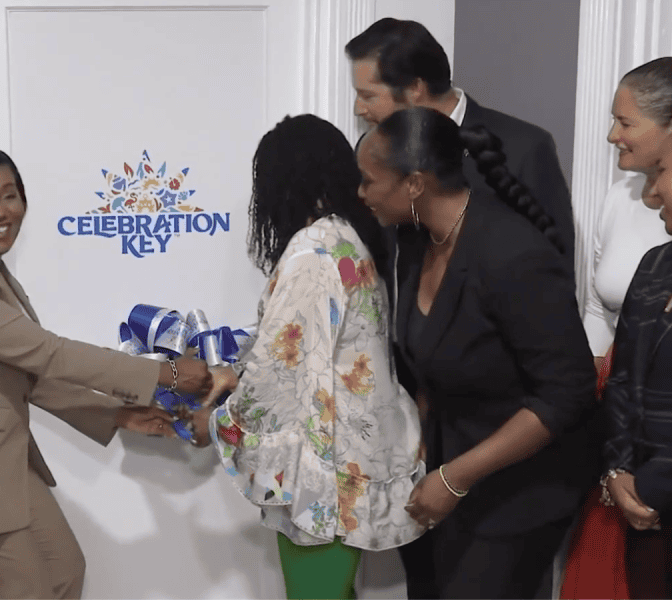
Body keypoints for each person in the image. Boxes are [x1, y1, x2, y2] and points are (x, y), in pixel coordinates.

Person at [0, 144, 211, 599]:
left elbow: (27, 371)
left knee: (64, 573)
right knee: (26, 590)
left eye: (10, 195)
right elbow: (48, 353)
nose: (0, 211)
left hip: (1, 460)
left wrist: (115, 414)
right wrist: (164, 373)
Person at [357, 106, 597, 598]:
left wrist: (455, 477)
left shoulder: (512, 253)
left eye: (369, 180)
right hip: (455, 469)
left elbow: (567, 394)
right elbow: (434, 355)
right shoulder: (416, 241)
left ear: (415, 184)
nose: (361, 193)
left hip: (523, 485)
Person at [190, 114, 425, 600]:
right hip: (355, 461)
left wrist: (216, 421)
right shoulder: (350, 237)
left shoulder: (313, 251)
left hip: (325, 473)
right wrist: (235, 371)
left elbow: (281, 370)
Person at [345, 17, 574, 276]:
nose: (358, 109)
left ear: (414, 88)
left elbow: (555, 268)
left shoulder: (524, 148)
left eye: (367, 96)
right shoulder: (371, 152)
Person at [600, 142, 672, 598]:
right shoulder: (654, 266)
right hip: (647, 516)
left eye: (661, 172)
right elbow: (622, 379)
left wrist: (653, 484)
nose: (653, 192)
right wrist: (618, 470)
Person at [584, 58, 672, 362]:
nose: (612, 135)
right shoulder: (619, 197)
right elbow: (599, 308)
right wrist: (589, 369)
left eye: (625, 123)